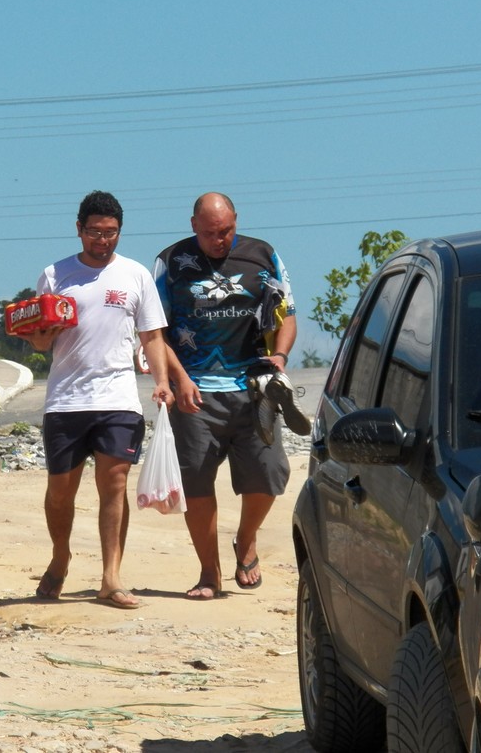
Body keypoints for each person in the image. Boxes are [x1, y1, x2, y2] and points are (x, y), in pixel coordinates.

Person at [23, 190, 174, 610]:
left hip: (118, 397)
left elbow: (152, 336)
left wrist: (162, 381)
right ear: (79, 229)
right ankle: (60, 557)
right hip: (66, 399)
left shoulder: (135, 275)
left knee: (115, 483)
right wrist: (43, 336)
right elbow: (38, 342)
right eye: (94, 232)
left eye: (110, 233)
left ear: (119, 232)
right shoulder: (55, 274)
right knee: (60, 491)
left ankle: (111, 578)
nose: (102, 240)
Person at [154, 192, 307, 600]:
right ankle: (209, 574)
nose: (218, 240)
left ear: (237, 220)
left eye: (226, 231)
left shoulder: (263, 255)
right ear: (193, 226)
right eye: (209, 233)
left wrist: (280, 356)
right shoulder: (170, 262)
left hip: (254, 388)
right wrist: (178, 379)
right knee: (196, 482)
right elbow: (155, 332)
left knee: (270, 473)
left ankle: (247, 538)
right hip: (194, 392)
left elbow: (288, 315)